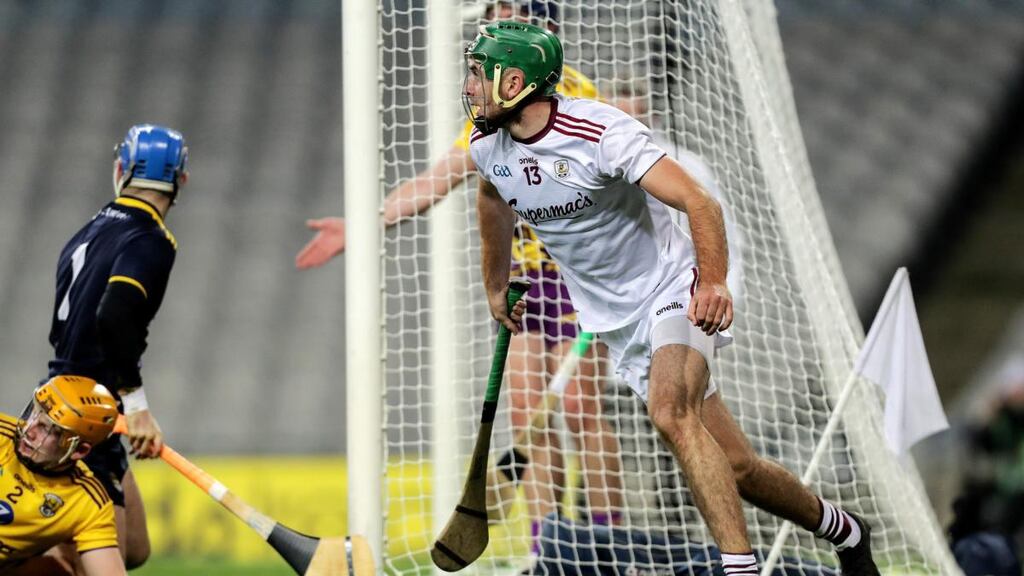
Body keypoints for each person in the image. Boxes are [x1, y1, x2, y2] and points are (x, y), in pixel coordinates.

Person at [464, 21, 879, 576]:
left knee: (669, 412)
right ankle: (845, 531)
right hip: (615, 322)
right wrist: (496, 283)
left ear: (514, 82)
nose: (467, 86)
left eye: (476, 73)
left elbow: (698, 202)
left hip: (672, 287)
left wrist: (711, 282)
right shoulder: (488, 147)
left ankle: (740, 569)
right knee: (736, 466)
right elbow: (492, 199)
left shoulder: (601, 133)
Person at [296, 0, 624, 553]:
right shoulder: (491, 114)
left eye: (508, 17)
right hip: (526, 277)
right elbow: (440, 177)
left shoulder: (577, 96)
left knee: (578, 408)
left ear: (541, 30)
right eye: (489, 19)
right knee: (528, 417)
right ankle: (551, 548)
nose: (492, 31)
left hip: (582, 273)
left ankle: (615, 546)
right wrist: (368, 223)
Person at [44, 123, 189, 569]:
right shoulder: (151, 239)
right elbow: (115, 314)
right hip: (82, 415)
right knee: (85, 563)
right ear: (180, 180)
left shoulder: (91, 229)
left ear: (122, 169)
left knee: (137, 549)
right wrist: (136, 403)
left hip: (79, 404)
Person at [1, 375, 126, 576]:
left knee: (60, 571)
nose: (29, 430)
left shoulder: (87, 503)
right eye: (35, 414)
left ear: (79, 450)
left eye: (48, 429)